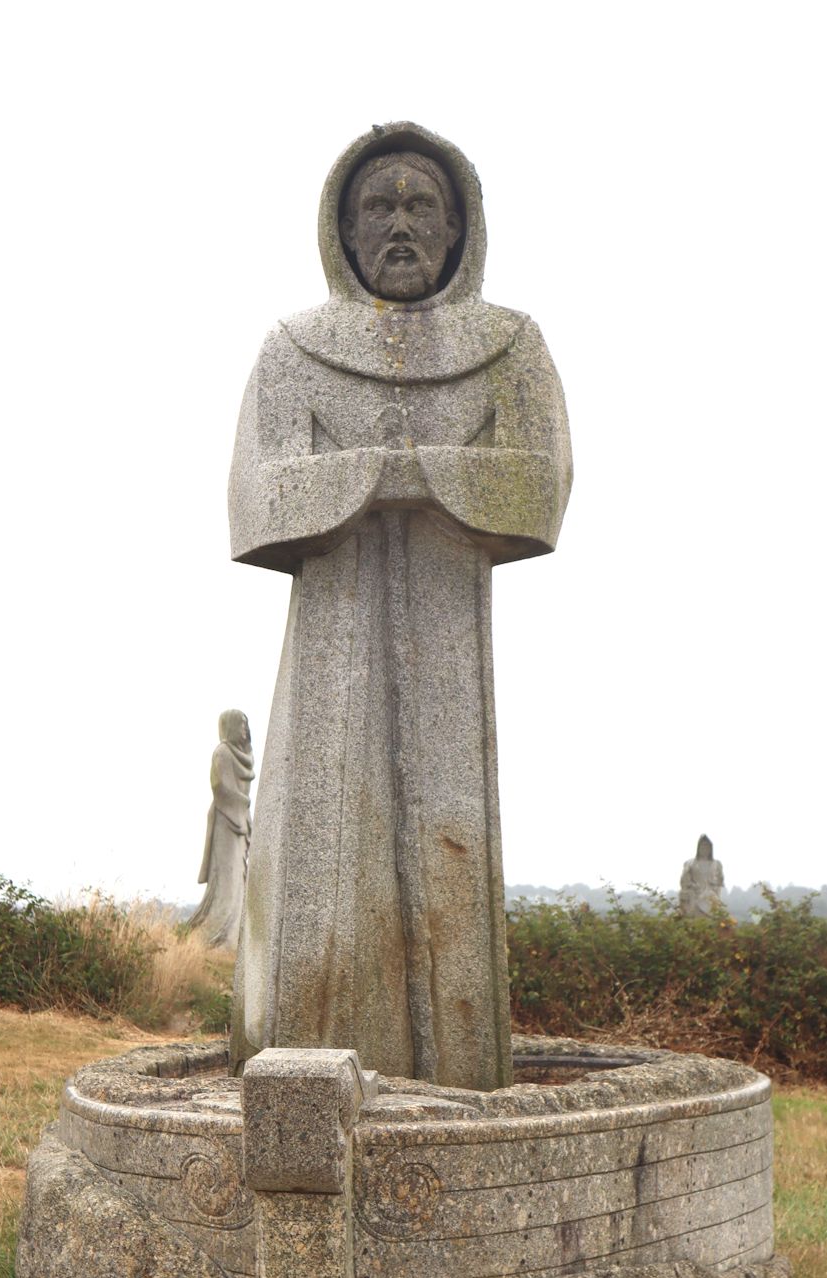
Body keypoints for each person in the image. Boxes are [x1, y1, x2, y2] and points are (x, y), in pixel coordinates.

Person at [228, 123, 572, 1088]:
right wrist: (399, 474)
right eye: (379, 206)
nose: (402, 226)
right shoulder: (296, 348)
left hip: (447, 625)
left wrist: (396, 474)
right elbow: (256, 500)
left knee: (448, 842)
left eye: (424, 206)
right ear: (343, 226)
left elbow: (539, 488)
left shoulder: (509, 346)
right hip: (330, 630)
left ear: (461, 227)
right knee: (321, 849)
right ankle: (296, 1068)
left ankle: (459, 1076)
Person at [188, 710, 253, 948]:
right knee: (226, 880)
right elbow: (221, 787)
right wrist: (244, 806)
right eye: (242, 725)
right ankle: (214, 938)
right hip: (226, 820)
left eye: (247, 726)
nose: (245, 730)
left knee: (238, 881)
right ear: (231, 726)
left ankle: (233, 938)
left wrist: (246, 815)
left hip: (238, 821)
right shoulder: (222, 753)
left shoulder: (242, 756)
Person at [679, 834, 725, 916]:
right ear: (698, 848)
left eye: (707, 846)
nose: (705, 849)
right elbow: (684, 881)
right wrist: (693, 887)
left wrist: (714, 890)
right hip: (694, 895)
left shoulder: (716, 864)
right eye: (702, 846)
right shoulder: (690, 863)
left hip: (711, 896)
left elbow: (720, 882)